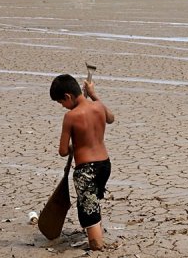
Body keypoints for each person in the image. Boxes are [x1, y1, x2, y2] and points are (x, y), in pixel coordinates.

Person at [49, 74, 114, 250]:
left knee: (88, 209)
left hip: (86, 170)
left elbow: (63, 151)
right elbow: (111, 118)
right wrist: (93, 94)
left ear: (68, 97)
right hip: (105, 165)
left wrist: (75, 145)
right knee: (93, 201)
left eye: (61, 102)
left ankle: (96, 245)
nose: (62, 106)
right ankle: (97, 237)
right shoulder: (98, 106)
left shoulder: (71, 116)